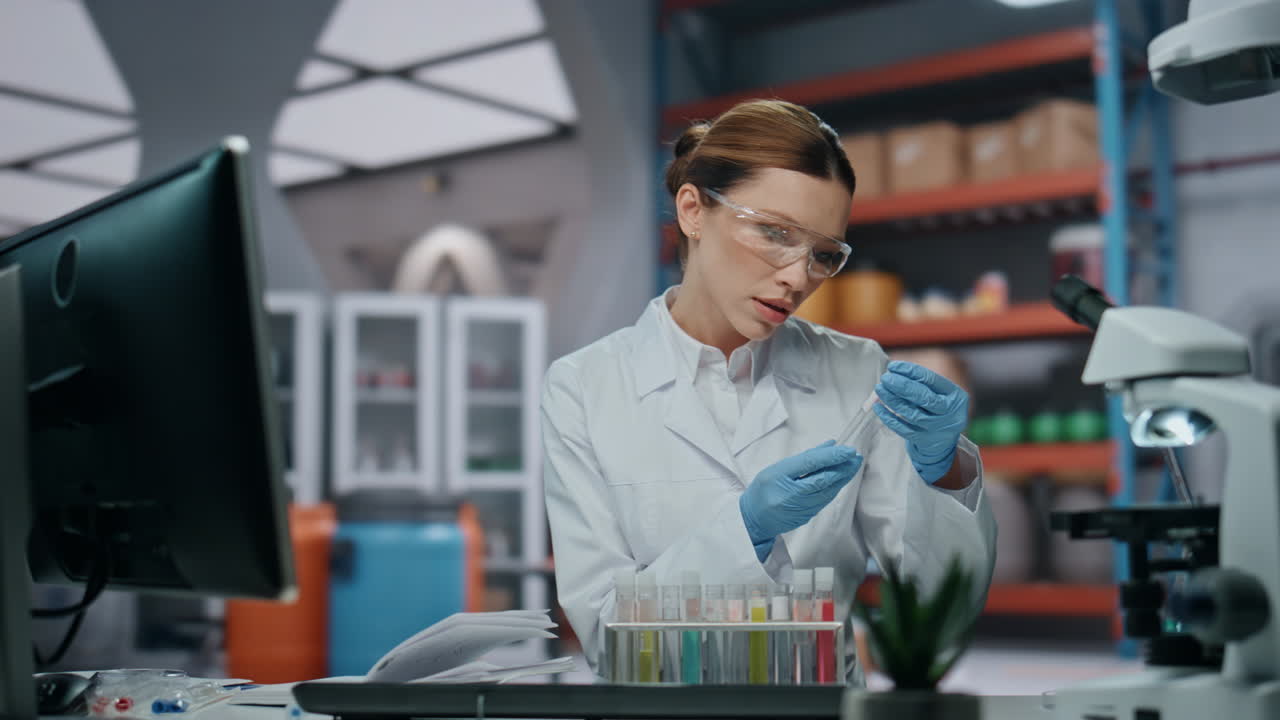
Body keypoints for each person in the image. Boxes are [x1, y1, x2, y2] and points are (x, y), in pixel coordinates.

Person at [541, 99, 996, 684]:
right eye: (775, 233)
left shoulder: (856, 371)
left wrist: (945, 475)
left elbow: (944, 614)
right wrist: (744, 531)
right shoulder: (584, 387)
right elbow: (610, 641)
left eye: (823, 253)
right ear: (692, 210)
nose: (797, 275)